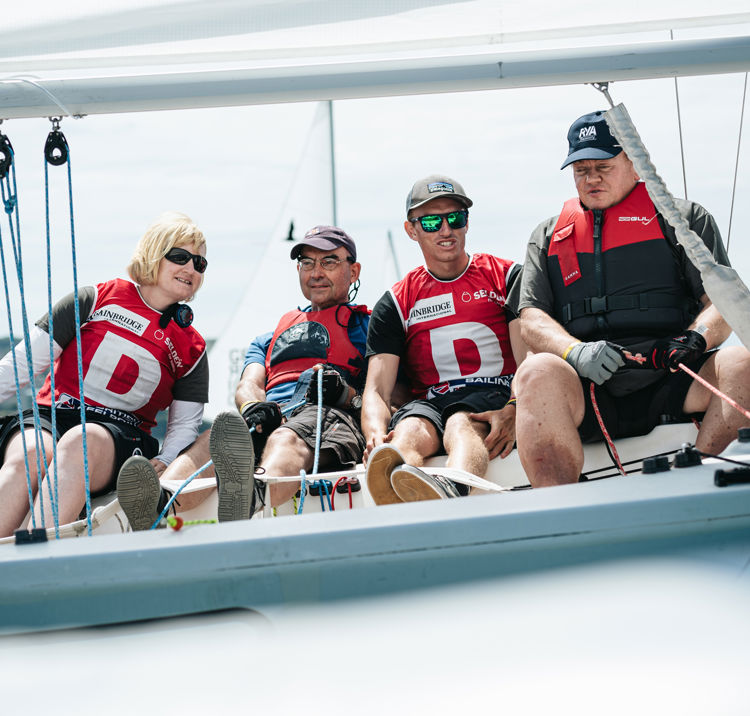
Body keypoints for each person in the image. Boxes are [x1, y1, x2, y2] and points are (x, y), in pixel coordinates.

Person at [514, 110, 750, 487]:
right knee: (536, 371)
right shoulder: (546, 237)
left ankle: (704, 485)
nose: (590, 178)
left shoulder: (684, 219)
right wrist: (576, 353)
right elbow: (532, 319)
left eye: (602, 166)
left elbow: (722, 302)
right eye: (581, 169)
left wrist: (696, 339)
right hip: (588, 387)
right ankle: (560, 509)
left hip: (672, 376)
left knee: (740, 362)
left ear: (634, 164)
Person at [116, 225, 369, 528]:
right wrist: (252, 407)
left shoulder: (369, 329)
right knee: (213, 439)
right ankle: (157, 504)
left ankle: (251, 497)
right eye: (307, 263)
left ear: (353, 271)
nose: (315, 272)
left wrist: (347, 396)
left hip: (326, 418)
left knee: (286, 438)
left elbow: (390, 398)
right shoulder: (268, 338)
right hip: (274, 416)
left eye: (328, 262)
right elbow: (249, 384)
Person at [0, 212, 209, 537]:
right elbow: (21, 366)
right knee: (31, 453)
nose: (191, 268)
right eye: (180, 257)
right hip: (51, 416)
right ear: (154, 253)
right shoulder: (93, 299)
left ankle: (32, 554)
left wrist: (168, 459)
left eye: (199, 263)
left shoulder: (192, 347)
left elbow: (184, 424)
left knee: (80, 441)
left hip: (118, 436)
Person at [361, 174, 524, 504]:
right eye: (432, 221)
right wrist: (375, 433)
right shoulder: (396, 301)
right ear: (412, 230)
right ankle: (394, 493)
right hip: (431, 402)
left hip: (492, 394)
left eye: (455, 218)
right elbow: (377, 389)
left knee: (460, 425)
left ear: (466, 224)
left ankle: (452, 492)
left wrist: (516, 408)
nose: (446, 230)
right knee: (406, 432)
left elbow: (530, 360)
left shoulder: (506, 277)